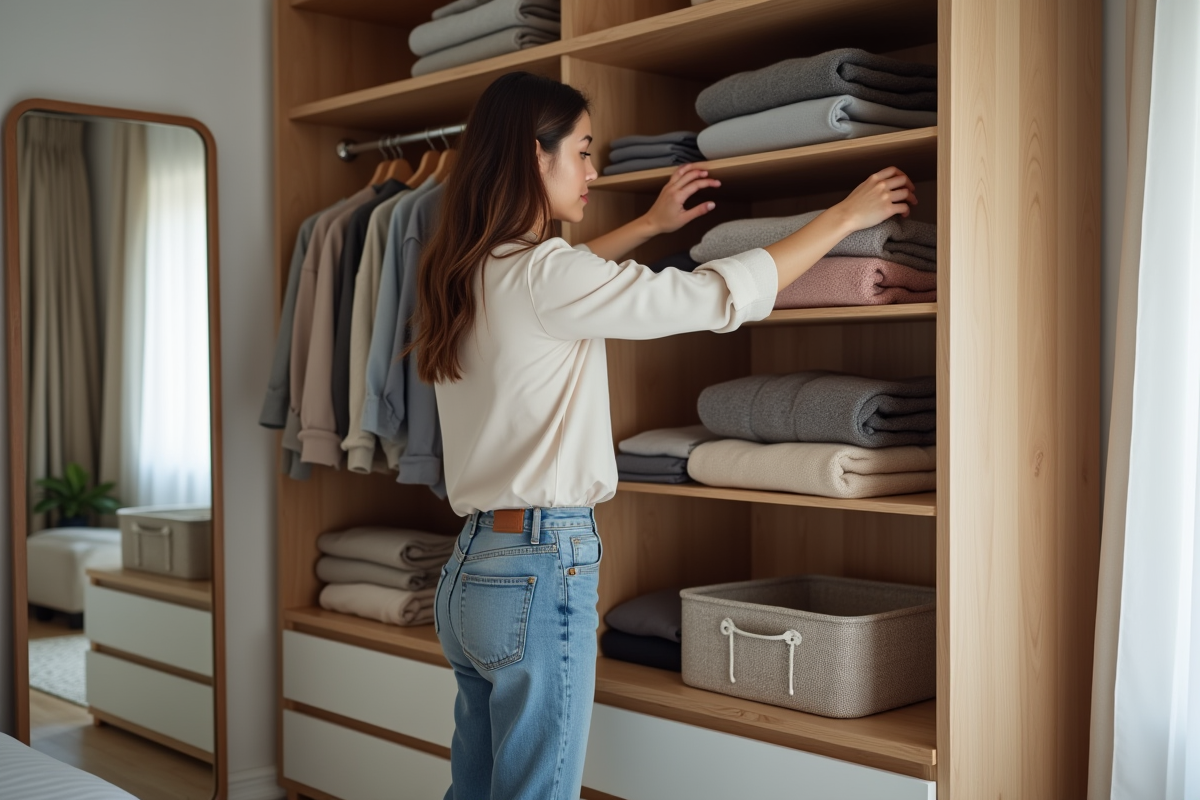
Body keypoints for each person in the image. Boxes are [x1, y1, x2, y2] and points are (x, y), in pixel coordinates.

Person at [415, 71, 918, 800]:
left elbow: (566, 286)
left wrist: (650, 227)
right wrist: (843, 217)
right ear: (535, 156)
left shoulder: (464, 272)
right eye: (582, 151)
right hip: (538, 563)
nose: (592, 171)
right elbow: (711, 296)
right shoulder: (544, 274)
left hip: (472, 573)